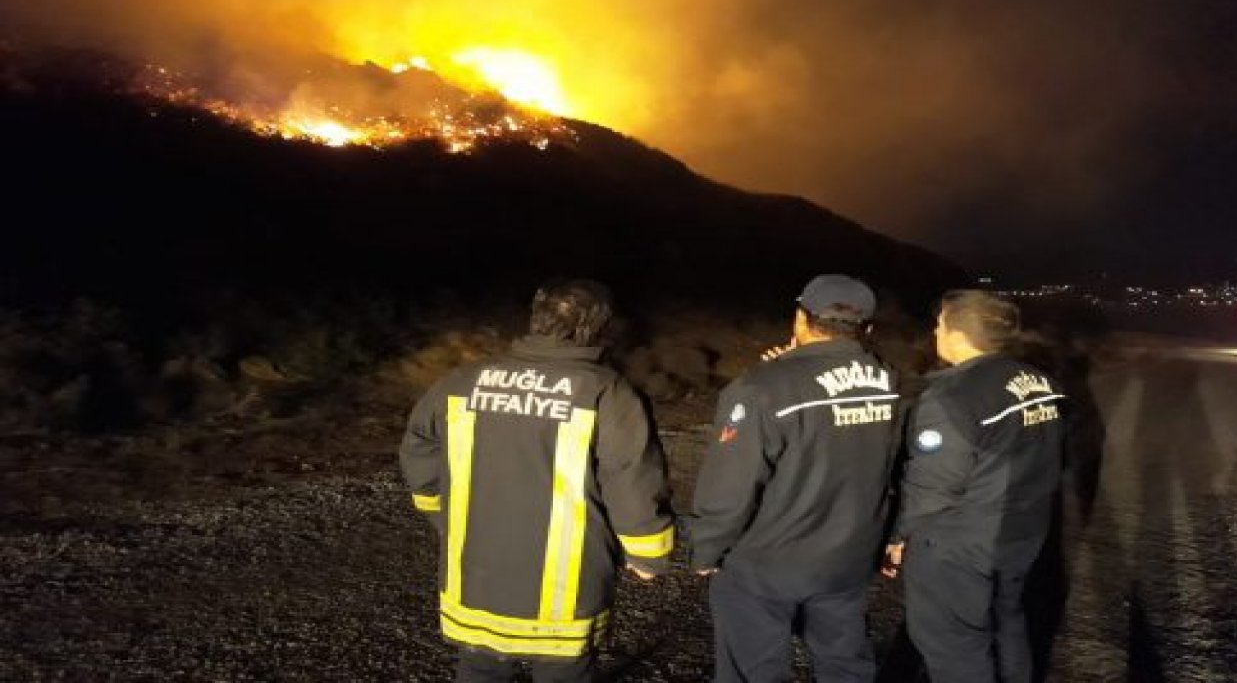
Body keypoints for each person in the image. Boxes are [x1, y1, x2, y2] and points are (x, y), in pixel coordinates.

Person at [399, 279, 674, 682]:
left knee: (480, 664)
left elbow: (418, 445)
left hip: (477, 571)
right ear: (600, 326)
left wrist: (440, 510)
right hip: (564, 588)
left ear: (535, 319)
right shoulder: (605, 391)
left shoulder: (463, 380)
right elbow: (629, 474)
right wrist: (647, 551)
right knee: (565, 669)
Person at [691, 274, 901, 682]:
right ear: (868, 329)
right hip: (849, 558)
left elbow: (732, 481)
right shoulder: (887, 380)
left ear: (800, 319)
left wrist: (707, 546)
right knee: (844, 666)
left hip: (767, 563)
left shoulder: (761, 388)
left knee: (753, 671)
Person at [882, 289, 1066, 683]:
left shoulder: (952, 395)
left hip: (963, 543)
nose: (935, 332)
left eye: (939, 324)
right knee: (1008, 625)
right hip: (1024, 531)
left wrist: (901, 535)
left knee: (954, 647)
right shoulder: (1038, 381)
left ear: (959, 333)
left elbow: (934, 484)